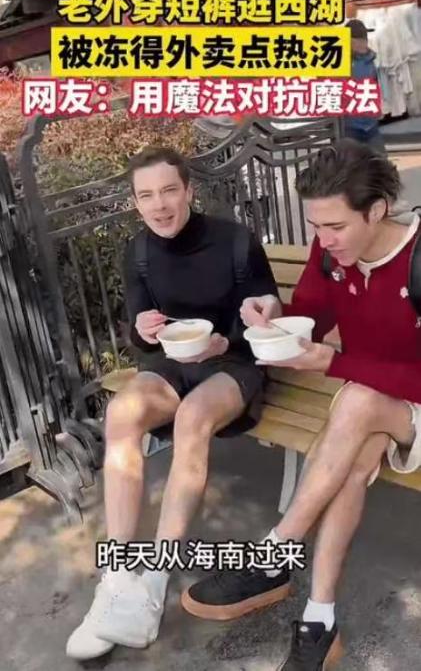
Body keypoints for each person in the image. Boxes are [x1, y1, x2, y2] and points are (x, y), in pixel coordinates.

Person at [182, 139, 421, 670]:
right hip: (369, 404)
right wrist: (273, 312)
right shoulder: (332, 251)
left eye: (335, 226)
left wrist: (334, 363)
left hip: (409, 403)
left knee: (357, 400)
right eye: (315, 226)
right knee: (356, 455)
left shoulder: (418, 258)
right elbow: (311, 311)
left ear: (377, 210)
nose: (323, 239)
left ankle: (273, 556)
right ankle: (320, 618)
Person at [66, 146, 279, 660]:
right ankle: (118, 578)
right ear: (135, 202)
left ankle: (153, 584)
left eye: (168, 191)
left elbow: (266, 314)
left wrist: (230, 338)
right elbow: (141, 336)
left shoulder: (235, 240)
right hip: (173, 366)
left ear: (188, 190)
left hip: (232, 363)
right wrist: (141, 330)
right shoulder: (138, 251)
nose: (159, 205)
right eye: (146, 196)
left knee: (192, 417)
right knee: (121, 413)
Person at [344, 19, 386, 153]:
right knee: (352, 163)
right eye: (360, 40)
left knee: (381, 162)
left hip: (371, 126)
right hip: (350, 128)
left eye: (365, 40)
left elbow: (374, 85)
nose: (364, 43)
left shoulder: (370, 59)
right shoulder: (340, 63)